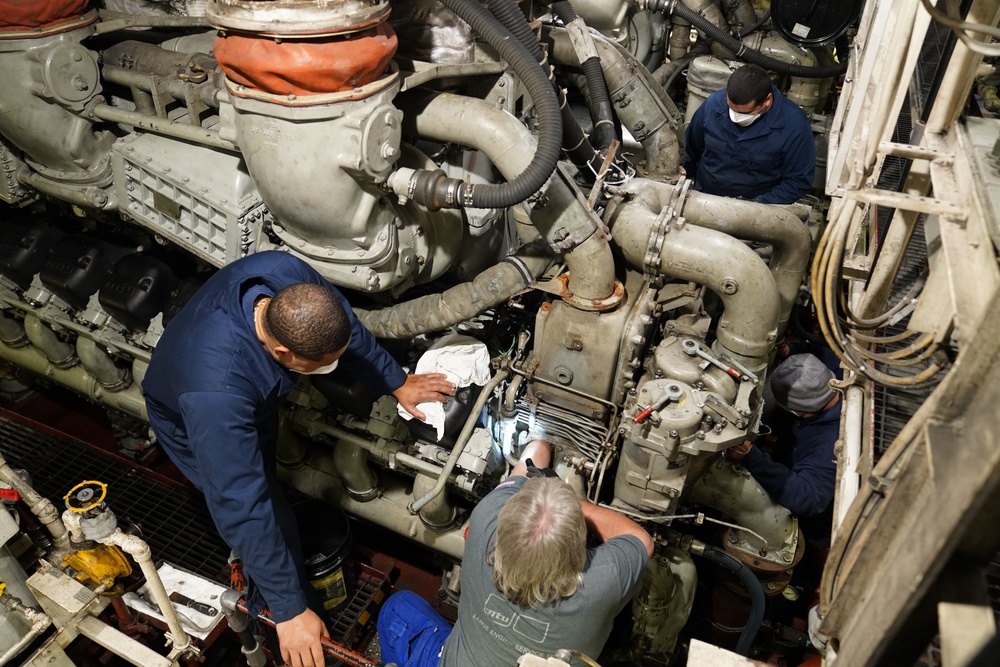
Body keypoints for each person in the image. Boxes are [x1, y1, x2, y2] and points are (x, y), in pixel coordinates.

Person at [142, 250, 456, 667]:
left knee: (262, 475)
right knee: (264, 508)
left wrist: (395, 380)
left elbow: (346, 330)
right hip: (186, 415)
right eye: (323, 365)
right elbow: (242, 502)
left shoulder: (284, 277)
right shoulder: (217, 397)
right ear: (283, 352)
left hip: (251, 395)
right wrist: (290, 610)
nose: (335, 366)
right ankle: (278, 608)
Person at [379, 440, 653, 666]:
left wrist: (541, 464)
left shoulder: (486, 520)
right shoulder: (603, 583)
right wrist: (568, 501)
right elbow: (641, 539)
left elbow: (534, 452)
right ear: (578, 546)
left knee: (396, 607)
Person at [729, 353, 840, 545]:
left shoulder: (831, 444)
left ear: (802, 411)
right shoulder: (833, 368)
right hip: (788, 453)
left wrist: (751, 456)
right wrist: (789, 349)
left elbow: (808, 498)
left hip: (814, 521)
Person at [684, 63, 816, 205]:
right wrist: (686, 182)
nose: (736, 116)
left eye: (745, 113)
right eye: (731, 109)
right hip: (702, 197)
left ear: (767, 100)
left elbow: (798, 181)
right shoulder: (713, 105)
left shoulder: (794, 125)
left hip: (755, 211)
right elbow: (689, 151)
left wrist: (757, 205)